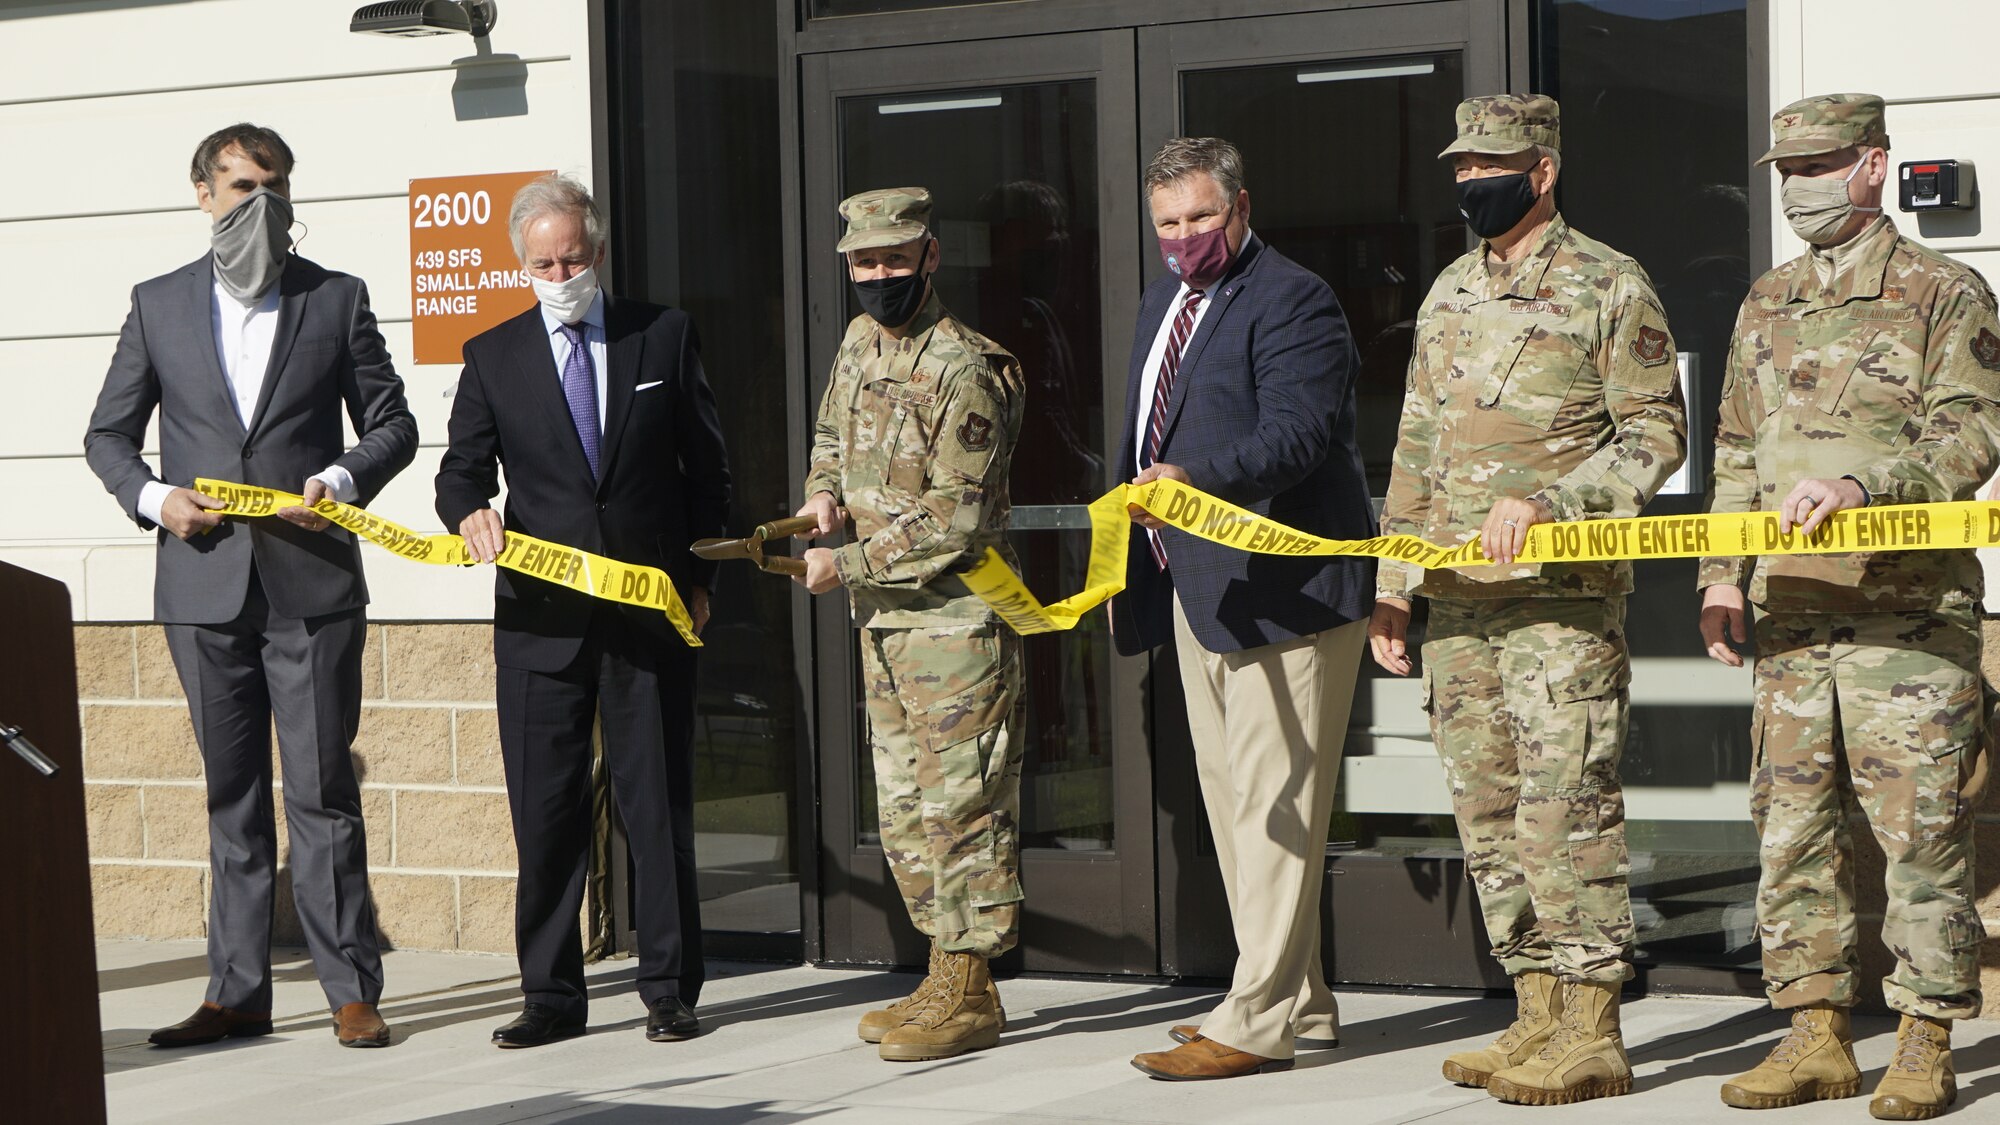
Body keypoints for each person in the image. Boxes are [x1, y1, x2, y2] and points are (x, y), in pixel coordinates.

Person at [1371, 94, 1688, 1107]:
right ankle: (1534, 1014)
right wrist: (1391, 587)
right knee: (1489, 815)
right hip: (1458, 603)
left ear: (1540, 171)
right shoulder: (1448, 290)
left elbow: (1653, 439)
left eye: (1490, 166)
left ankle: (1592, 1028)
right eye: (1459, 169)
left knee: (1565, 811)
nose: (1471, 183)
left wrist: (1550, 502)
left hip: (1558, 601)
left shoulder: (1607, 283)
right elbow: (1414, 445)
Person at [1698, 93, 1998, 1121]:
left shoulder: (1941, 291)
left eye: (1818, 163)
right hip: (1788, 615)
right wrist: (1717, 574)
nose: (1798, 184)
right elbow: (1734, 450)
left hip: (1904, 620)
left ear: (1872, 164)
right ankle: (1813, 1033)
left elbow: (1968, 436)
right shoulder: (1765, 297)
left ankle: (1922, 1038)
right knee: (1790, 834)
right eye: (1784, 167)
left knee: (1919, 838)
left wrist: (1865, 492)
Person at [84, 123, 418, 1049]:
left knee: (319, 792)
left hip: (309, 584)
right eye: (239, 188)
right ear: (202, 193)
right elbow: (107, 435)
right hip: (202, 585)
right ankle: (236, 992)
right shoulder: (158, 306)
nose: (256, 205)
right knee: (231, 795)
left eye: (272, 188)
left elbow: (392, 423)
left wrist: (343, 482)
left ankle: (351, 988)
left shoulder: (336, 299)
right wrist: (155, 498)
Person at [435, 174, 731, 1049]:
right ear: (520, 263)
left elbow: (706, 470)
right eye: (542, 261)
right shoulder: (493, 354)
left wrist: (706, 576)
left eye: (572, 257)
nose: (559, 271)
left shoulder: (662, 335)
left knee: (657, 805)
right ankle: (552, 995)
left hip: (648, 617)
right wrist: (468, 510)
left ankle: (670, 988)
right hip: (540, 625)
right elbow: (460, 468)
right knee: (548, 812)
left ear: (597, 253)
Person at [1115, 137, 1374, 1082]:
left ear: (1241, 206)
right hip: (1199, 588)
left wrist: (1196, 481)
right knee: (1235, 807)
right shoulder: (1165, 301)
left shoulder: (1293, 297)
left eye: (1200, 218)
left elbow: (1298, 435)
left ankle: (1255, 1015)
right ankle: (1298, 1000)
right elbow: (1146, 434)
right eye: (1168, 225)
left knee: (1275, 809)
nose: (1184, 238)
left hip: (1285, 593)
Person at [792, 187, 1026, 1063]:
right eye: (865, 262)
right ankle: (942, 966)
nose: (879, 276)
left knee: (963, 804)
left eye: (895, 259)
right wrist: (822, 493)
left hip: (956, 624)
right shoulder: (860, 342)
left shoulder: (969, 367)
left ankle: (970, 987)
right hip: (885, 623)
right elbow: (830, 429)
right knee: (904, 808)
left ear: (932, 256)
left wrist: (844, 562)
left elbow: (954, 517)